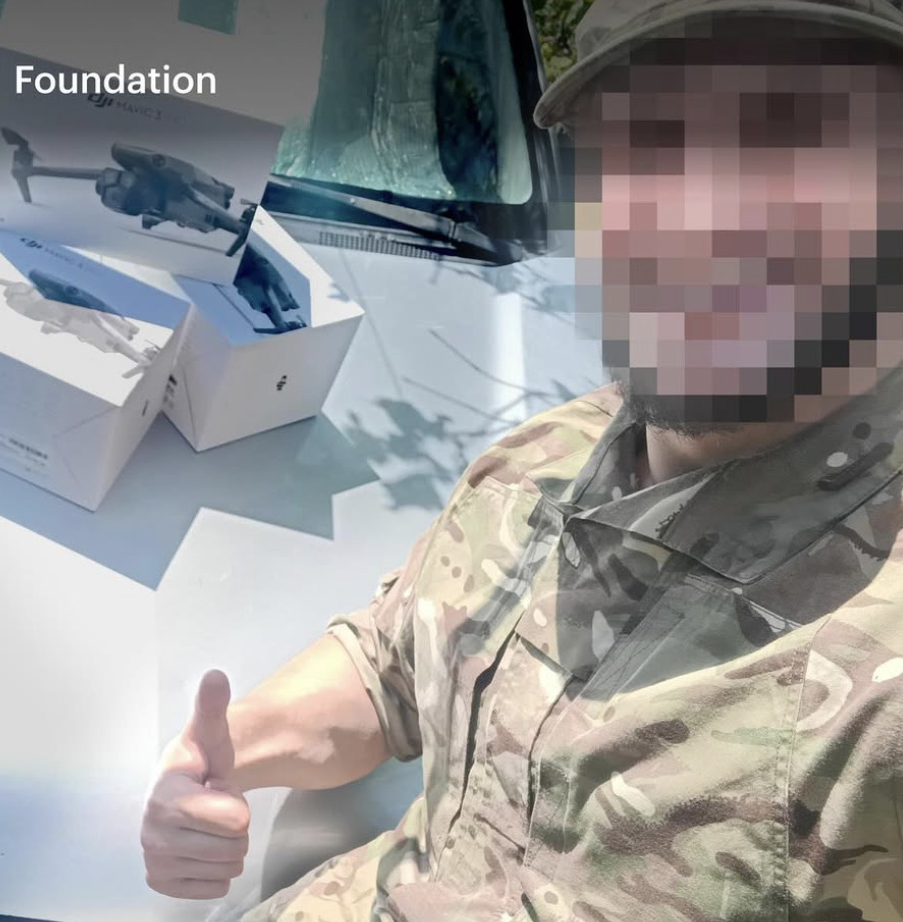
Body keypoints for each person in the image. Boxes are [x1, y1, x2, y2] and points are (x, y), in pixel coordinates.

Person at [140, 1, 903, 919]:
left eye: (794, 151)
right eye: (646, 148)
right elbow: (393, 660)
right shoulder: (544, 458)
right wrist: (229, 752)